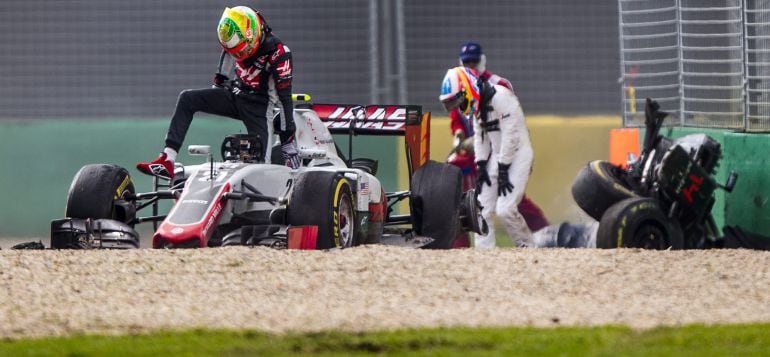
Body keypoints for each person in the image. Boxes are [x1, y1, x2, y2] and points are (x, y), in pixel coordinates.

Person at [137, 6, 299, 179]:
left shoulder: (279, 53)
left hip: (260, 108)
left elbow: (284, 99)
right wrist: (219, 85)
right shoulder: (237, 39)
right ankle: (167, 159)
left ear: (254, 33)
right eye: (234, 50)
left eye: (241, 50)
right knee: (187, 98)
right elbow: (228, 55)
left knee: (260, 170)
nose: (238, 54)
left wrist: (287, 141)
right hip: (235, 95)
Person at [440, 65, 534, 248]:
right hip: (498, 158)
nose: (459, 107)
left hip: (518, 155)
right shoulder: (478, 107)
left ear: (467, 88)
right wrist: (481, 165)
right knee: (480, 208)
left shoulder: (502, 97)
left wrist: (504, 169)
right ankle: (485, 256)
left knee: (505, 209)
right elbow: (480, 137)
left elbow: (511, 135)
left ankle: (528, 248)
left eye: (458, 101)